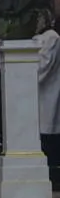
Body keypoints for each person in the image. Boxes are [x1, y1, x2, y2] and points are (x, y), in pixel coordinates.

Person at [35, 19, 60, 186]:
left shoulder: (51, 37)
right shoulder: (39, 37)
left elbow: (41, 68)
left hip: (47, 95)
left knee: (48, 140)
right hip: (35, 97)